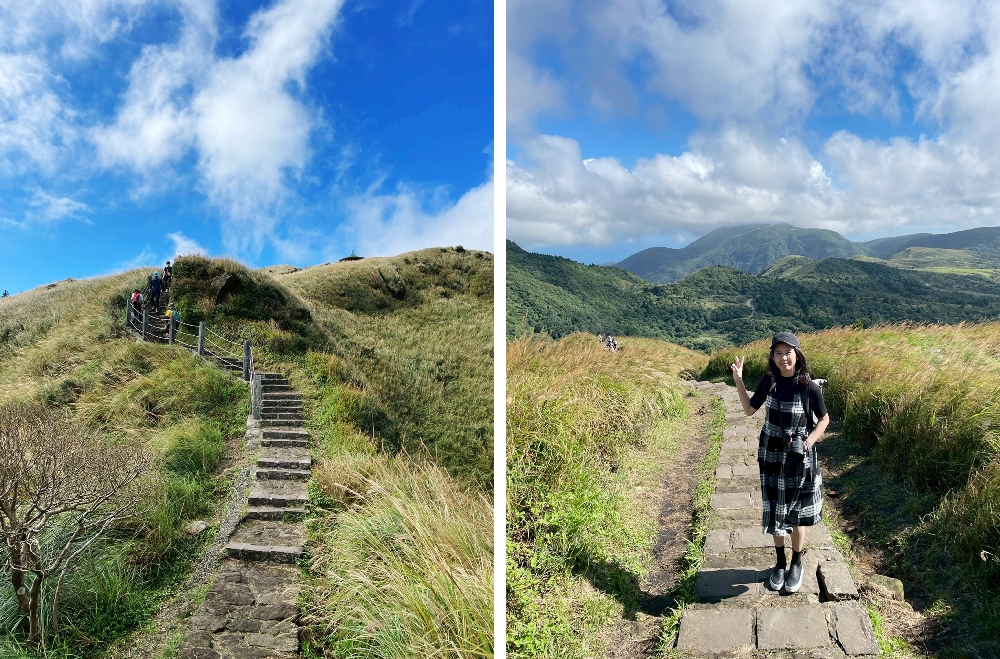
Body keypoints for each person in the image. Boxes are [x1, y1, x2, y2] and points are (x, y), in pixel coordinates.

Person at [730, 331, 829, 594]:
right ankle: (780, 562)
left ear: (797, 354)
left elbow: (824, 420)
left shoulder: (809, 386)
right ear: (772, 357)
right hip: (771, 453)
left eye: (788, 352)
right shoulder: (769, 381)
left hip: (799, 456)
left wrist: (807, 442)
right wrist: (738, 379)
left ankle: (797, 562)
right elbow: (750, 409)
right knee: (775, 508)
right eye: (778, 353)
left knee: (796, 513)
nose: (783, 357)